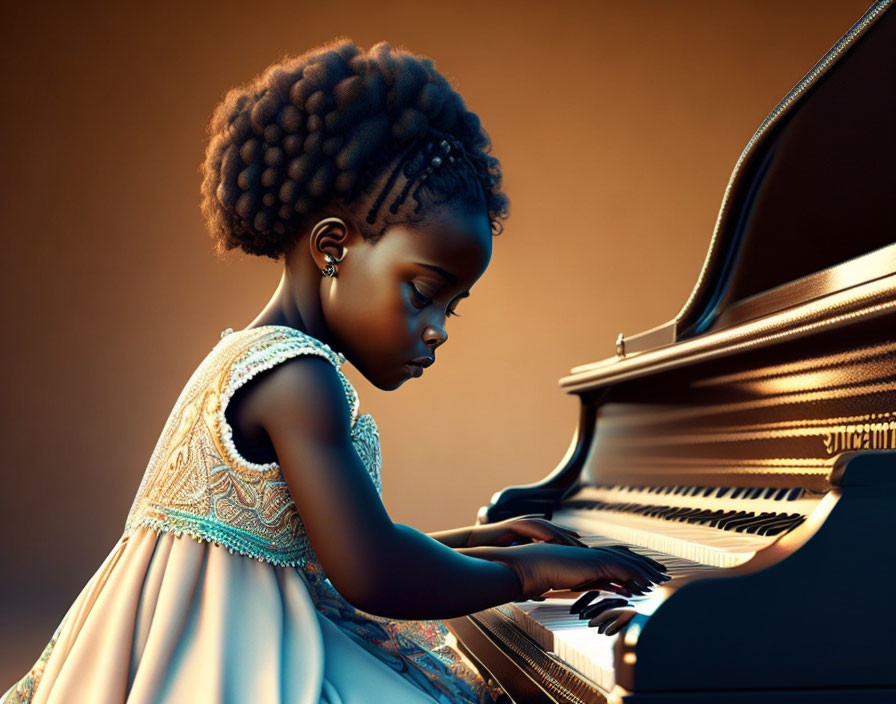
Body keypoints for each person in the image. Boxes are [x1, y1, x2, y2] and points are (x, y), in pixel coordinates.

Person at [1, 39, 668, 704]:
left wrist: (477, 542)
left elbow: (315, 547)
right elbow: (372, 573)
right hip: (229, 675)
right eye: (423, 291)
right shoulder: (298, 379)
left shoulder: (251, 356)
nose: (437, 327)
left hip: (220, 646)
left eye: (451, 308)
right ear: (332, 248)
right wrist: (528, 570)